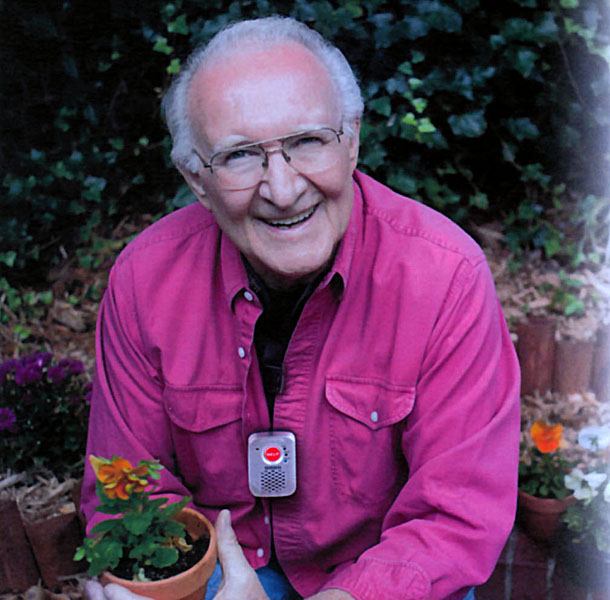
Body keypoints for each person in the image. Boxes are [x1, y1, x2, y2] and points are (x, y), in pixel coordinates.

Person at [82, 15, 520, 600]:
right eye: (240, 156)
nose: (283, 190)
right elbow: (129, 490)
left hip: (381, 579)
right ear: (196, 178)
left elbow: (456, 516)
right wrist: (175, 586)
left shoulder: (445, 277)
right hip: (220, 574)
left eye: (308, 142)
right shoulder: (145, 279)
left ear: (353, 140)